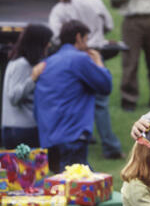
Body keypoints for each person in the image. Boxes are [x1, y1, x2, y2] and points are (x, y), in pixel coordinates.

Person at [49, 0, 124, 160]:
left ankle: (82, 137)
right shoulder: (94, 1)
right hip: (93, 54)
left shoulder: (60, 8)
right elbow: (109, 25)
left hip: (71, 58)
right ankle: (110, 146)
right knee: (100, 103)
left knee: (75, 100)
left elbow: (55, 35)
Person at [34, 20, 112, 173]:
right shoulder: (79, 59)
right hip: (72, 133)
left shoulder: (48, 62)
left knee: (59, 183)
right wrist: (98, 62)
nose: (87, 44)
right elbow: (105, 86)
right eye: (86, 39)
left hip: (48, 135)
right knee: (78, 185)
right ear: (78, 37)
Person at [1, 25, 52, 149]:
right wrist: (33, 79)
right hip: (22, 129)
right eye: (47, 41)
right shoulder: (22, 64)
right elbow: (13, 96)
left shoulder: (17, 62)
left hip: (17, 128)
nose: (49, 45)